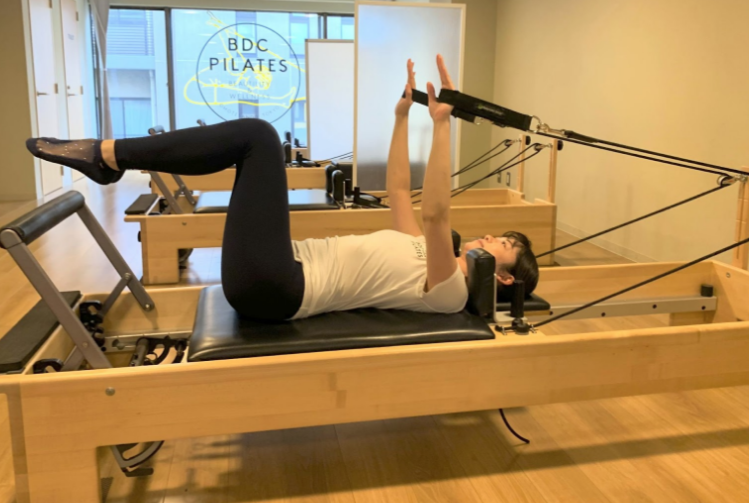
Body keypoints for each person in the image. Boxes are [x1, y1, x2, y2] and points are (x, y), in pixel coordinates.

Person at [27, 55, 538, 322]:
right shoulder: (426, 254)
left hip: (276, 286)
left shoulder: (450, 292)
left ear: (504, 278)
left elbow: (436, 215)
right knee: (256, 140)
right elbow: (402, 195)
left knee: (258, 138)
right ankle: (109, 158)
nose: (490, 238)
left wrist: (444, 125)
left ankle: (108, 156)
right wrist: (403, 116)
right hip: (278, 267)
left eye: (502, 245)